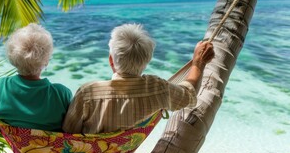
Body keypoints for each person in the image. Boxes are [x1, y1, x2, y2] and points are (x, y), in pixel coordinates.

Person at [62, 23, 214, 134]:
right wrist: (198, 63)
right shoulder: (158, 88)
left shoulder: (87, 93)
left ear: (110, 60)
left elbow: (69, 133)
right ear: (147, 61)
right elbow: (189, 95)